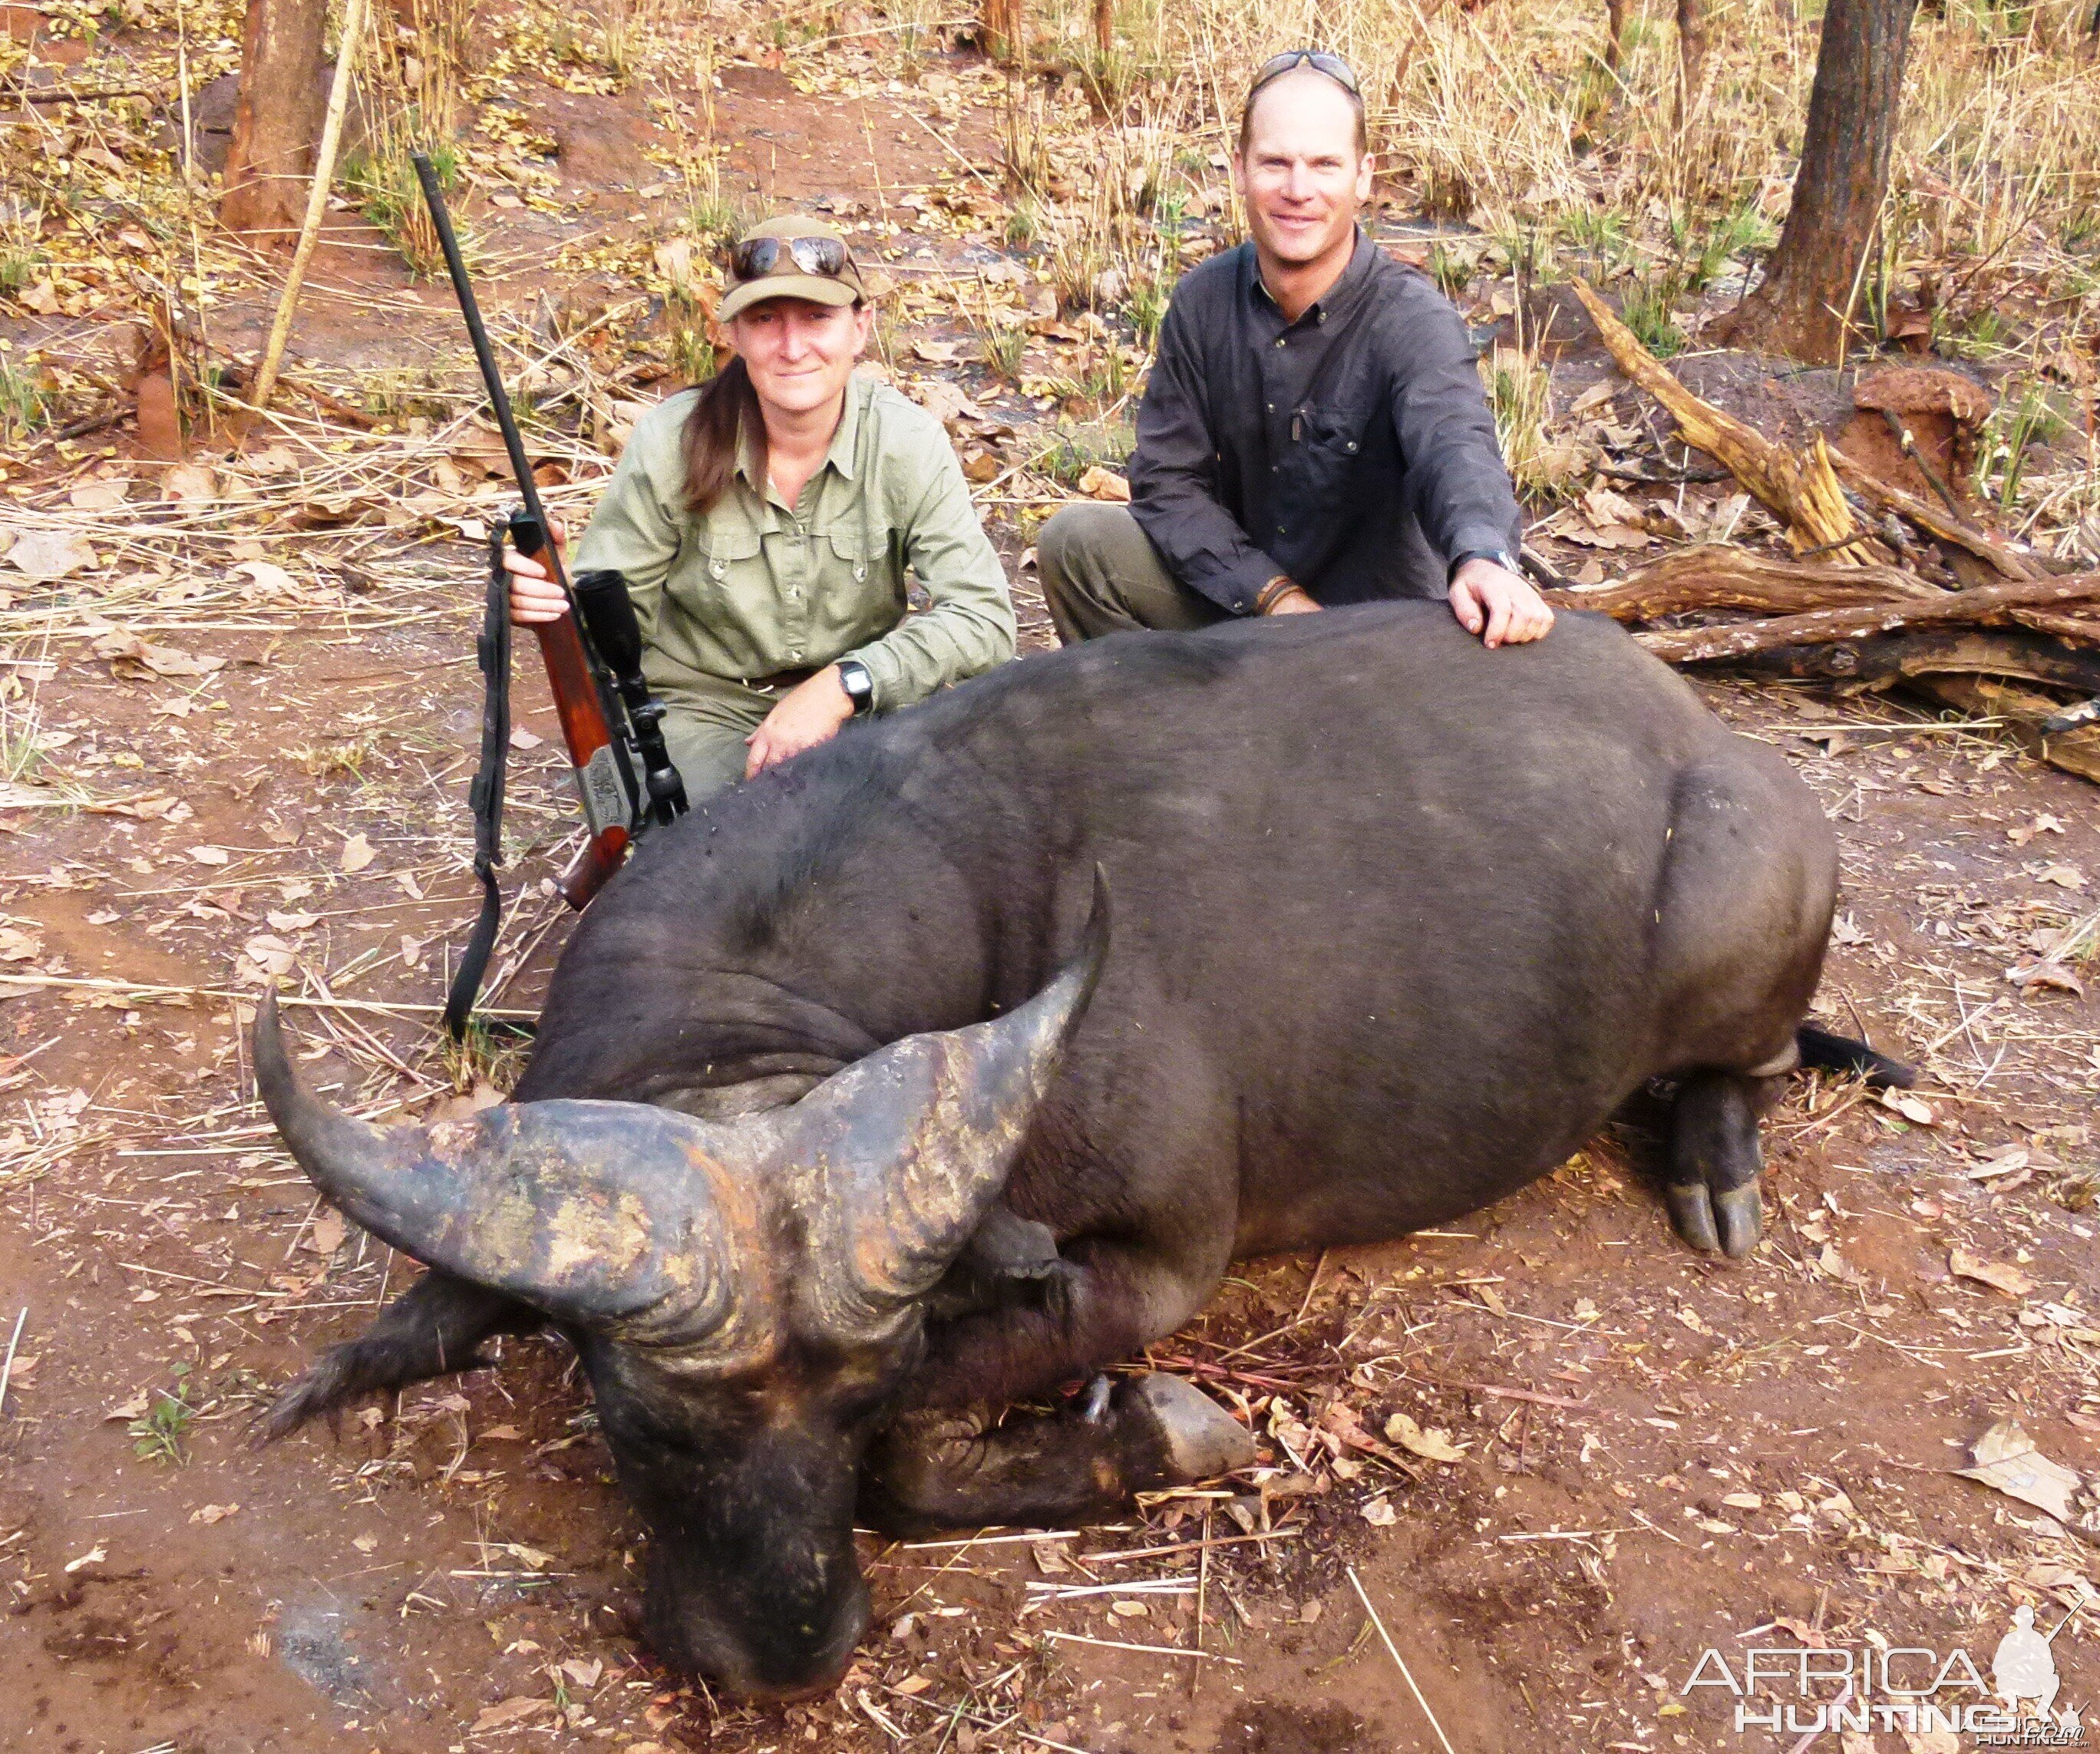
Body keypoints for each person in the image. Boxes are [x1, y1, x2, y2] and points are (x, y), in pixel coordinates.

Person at [1038, 49, 1553, 649]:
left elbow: (1456, 445)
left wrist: (1483, 555)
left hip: (1378, 639)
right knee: (1077, 545)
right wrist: (1276, 599)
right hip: (1247, 610)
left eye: (1324, 164)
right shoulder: (1201, 302)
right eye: (1275, 162)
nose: (1297, 189)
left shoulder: (1413, 319)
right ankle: (1172, 730)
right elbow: (1168, 483)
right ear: (1240, 169)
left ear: (1363, 176)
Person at [507, 216, 1016, 800]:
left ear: (860, 327)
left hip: (861, 707)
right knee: (746, 835)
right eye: (765, 319)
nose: (793, 347)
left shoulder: (907, 441)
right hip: (703, 708)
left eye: (817, 317)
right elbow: (611, 629)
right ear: (733, 334)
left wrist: (844, 685)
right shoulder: (673, 439)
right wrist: (556, 598)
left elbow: (984, 620)